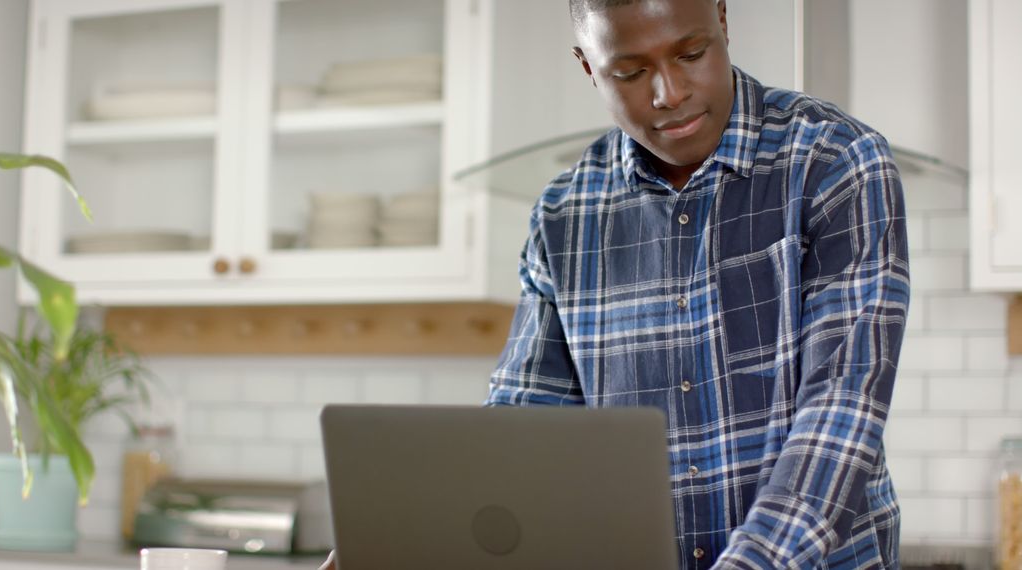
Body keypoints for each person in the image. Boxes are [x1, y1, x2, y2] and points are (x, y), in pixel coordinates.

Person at [320, 0, 908, 568]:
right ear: (588, 67)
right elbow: (525, 422)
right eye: (629, 72)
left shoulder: (836, 162)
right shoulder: (564, 213)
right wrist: (403, 535)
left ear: (722, 19)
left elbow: (842, 408)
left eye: (691, 53)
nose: (669, 93)